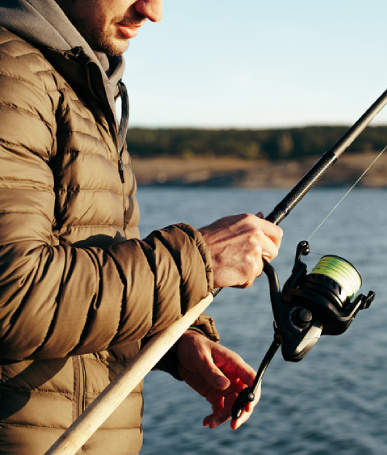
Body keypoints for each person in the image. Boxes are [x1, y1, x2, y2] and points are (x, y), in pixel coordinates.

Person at [0, 0, 283, 453]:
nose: (152, 10)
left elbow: (86, 275)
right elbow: (13, 299)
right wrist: (200, 258)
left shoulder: (85, 86)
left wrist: (171, 340)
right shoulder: (10, 76)